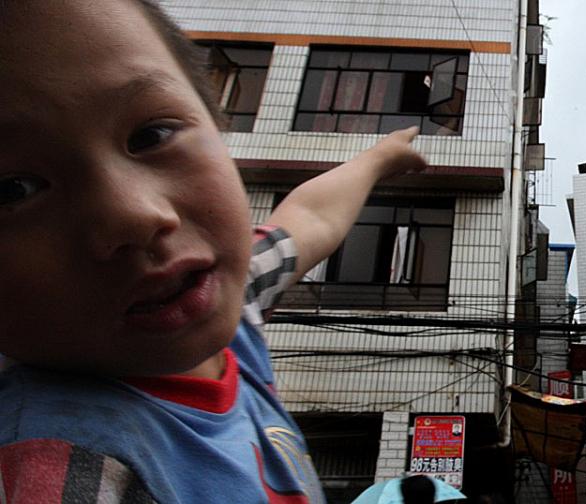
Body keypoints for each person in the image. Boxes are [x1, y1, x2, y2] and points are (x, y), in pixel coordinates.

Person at [0, 1, 426, 502]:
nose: (136, 217)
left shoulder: (228, 301)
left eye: (150, 135)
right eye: (14, 189)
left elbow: (310, 218)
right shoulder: (65, 464)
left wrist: (380, 157)